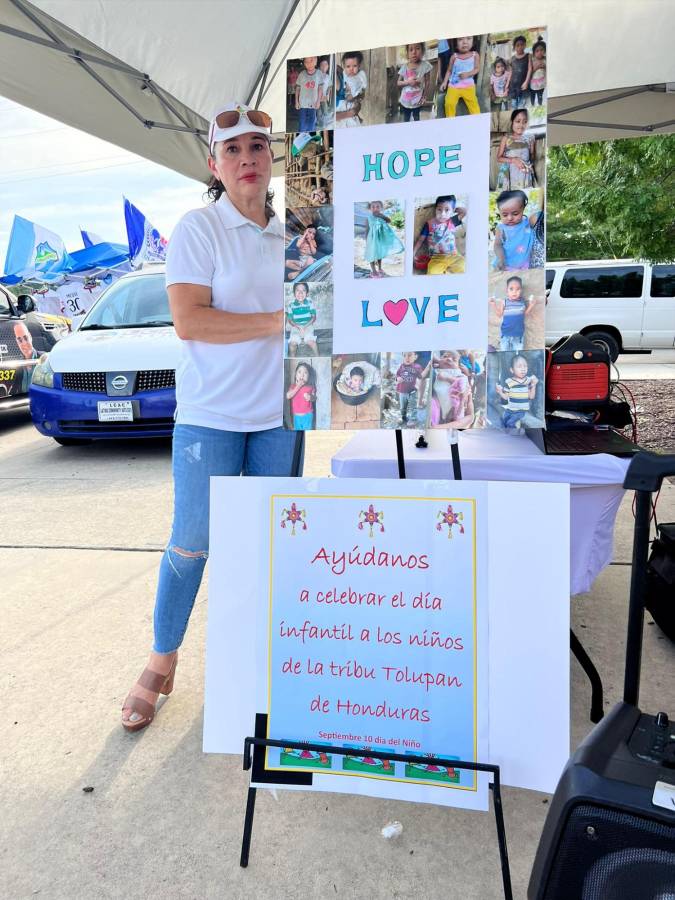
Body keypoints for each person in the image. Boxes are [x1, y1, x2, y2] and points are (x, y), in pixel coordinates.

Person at [121, 103, 298, 732]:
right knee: (193, 540)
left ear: (273, 156)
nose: (247, 159)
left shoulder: (296, 234)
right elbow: (190, 320)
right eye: (233, 150)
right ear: (214, 164)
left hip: (281, 414)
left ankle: (261, 661)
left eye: (257, 146)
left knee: (272, 542)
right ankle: (162, 658)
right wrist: (280, 322)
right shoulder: (199, 228)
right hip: (210, 414)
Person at [413, 195, 465, 275]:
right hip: (437, 258)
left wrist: (455, 209)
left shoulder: (452, 221)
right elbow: (420, 240)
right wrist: (413, 253)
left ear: (452, 210)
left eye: (447, 210)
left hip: (454, 256)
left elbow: (464, 212)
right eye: (439, 209)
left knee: (464, 267)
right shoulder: (429, 224)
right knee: (432, 273)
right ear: (435, 209)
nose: (442, 214)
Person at [493, 189, 540, 270]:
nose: (510, 218)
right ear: (499, 212)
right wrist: (501, 259)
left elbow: (540, 215)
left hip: (524, 266)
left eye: (515, 214)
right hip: (505, 265)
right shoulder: (501, 228)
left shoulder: (528, 223)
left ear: (523, 209)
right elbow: (497, 245)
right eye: (504, 215)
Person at [490, 275, 537, 352]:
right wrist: (493, 305)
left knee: (518, 354)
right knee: (504, 353)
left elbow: (524, 314)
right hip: (505, 335)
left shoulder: (522, 302)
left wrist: (532, 305)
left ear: (521, 290)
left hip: (518, 336)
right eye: (511, 289)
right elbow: (499, 314)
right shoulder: (504, 302)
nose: (514, 292)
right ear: (507, 291)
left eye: (518, 289)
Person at [495, 353, 539, 429]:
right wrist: (500, 392)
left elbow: (531, 396)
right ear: (512, 370)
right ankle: (506, 432)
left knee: (510, 423)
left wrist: (534, 385)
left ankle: (514, 433)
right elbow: (506, 397)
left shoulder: (528, 381)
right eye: (519, 366)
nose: (523, 369)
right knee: (503, 421)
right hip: (510, 409)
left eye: (525, 366)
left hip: (521, 411)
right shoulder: (509, 382)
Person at [441, 36, 481, 117]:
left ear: (473, 41)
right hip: (454, 86)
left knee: (474, 105)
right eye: (460, 39)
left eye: (468, 38)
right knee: (449, 103)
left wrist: (468, 74)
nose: (465, 42)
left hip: (469, 87)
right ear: (456, 44)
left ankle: (477, 120)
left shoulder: (475, 55)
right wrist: (444, 82)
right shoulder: (454, 57)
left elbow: (477, 69)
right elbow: (449, 70)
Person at [496, 109, 536, 190]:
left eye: (525, 122)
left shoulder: (530, 138)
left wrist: (530, 164)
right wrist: (513, 160)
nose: (521, 125)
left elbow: (532, 155)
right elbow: (498, 158)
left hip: (524, 173)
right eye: (518, 121)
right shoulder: (506, 138)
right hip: (508, 173)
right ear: (512, 122)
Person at [363, 200, 404, 277]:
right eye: (373, 207)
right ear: (370, 208)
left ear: (381, 208)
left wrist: (382, 216)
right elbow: (367, 230)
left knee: (379, 254)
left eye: (377, 207)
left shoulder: (382, 216)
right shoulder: (368, 218)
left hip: (380, 239)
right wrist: (366, 241)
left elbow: (389, 221)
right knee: (371, 254)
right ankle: (374, 271)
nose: (375, 208)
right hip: (372, 240)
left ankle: (379, 268)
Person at [397, 43, 431, 122]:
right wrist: (408, 82)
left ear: (422, 50)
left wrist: (424, 96)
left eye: (417, 48)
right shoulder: (404, 67)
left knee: (416, 117)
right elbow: (398, 82)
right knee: (406, 118)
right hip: (405, 101)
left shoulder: (425, 65)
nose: (414, 52)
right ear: (407, 53)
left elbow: (428, 81)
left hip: (417, 100)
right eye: (411, 50)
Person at [336, 51, 367, 127]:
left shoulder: (361, 75)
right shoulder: (344, 73)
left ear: (359, 66)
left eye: (354, 66)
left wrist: (359, 97)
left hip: (354, 101)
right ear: (345, 66)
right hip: (345, 105)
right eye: (348, 66)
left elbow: (363, 89)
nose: (351, 69)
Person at [287, 282, 318, 356]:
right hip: (296, 327)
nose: (300, 293)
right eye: (297, 290)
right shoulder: (291, 305)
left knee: (312, 342)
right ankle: (292, 359)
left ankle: (318, 357)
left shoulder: (310, 303)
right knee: (292, 344)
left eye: (303, 290)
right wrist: (298, 326)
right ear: (294, 293)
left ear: (307, 293)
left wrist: (304, 326)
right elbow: (290, 320)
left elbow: (313, 318)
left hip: (308, 326)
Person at [295, 57, 323, 132]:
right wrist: (296, 102)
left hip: (313, 104)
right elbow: (297, 88)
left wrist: (318, 101)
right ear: (304, 63)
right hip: (302, 104)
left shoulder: (319, 73)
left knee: (312, 124)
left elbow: (320, 88)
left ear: (315, 61)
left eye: (311, 60)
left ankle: (310, 136)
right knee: (302, 124)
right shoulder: (302, 74)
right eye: (306, 62)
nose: (309, 64)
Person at [395, 351, 424, 425]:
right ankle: (403, 417)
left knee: (413, 406)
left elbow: (421, 376)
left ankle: (413, 419)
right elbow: (397, 375)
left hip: (412, 391)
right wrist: (398, 378)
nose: (407, 358)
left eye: (409, 355)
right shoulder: (401, 366)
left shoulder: (417, 367)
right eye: (404, 355)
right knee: (402, 407)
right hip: (402, 391)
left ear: (415, 357)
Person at [286, 361, 316, 430]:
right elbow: (288, 396)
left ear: (308, 376)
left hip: (308, 415)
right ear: (296, 375)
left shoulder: (310, 387)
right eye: (299, 372)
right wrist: (298, 386)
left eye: (305, 373)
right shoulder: (293, 386)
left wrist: (310, 397)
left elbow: (314, 398)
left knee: (307, 432)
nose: (302, 375)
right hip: (296, 416)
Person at [508, 35, 531, 109]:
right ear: (514, 47)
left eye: (522, 44)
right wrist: (507, 84)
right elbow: (510, 72)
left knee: (521, 105)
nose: (520, 47)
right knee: (514, 105)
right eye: (517, 45)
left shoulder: (528, 56)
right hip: (513, 86)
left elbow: (530, 69)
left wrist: (526, 82)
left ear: (525, 45)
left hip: (523, 86)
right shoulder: (512, 58)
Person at [529, 38, 546, 106]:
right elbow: (529, 73)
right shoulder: (532, 60)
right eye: (537, 51)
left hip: (541, 85)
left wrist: (544, 67)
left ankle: (540, 106)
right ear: (534, 53)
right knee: (532, 97)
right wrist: (537, 67)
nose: (540, 52)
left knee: (540, 98)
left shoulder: (545, 59)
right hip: (532, 85)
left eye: (542, 50)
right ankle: (532, 105)